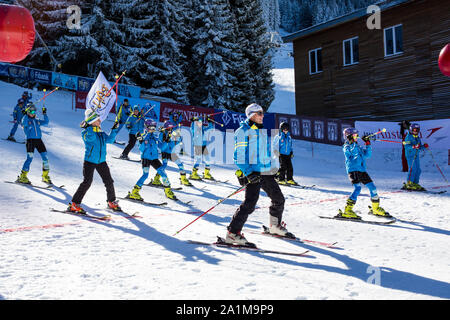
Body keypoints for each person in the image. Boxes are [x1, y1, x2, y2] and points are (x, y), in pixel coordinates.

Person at [226, 103, 293, 245]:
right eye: (259, 113)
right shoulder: (242, 131)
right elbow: (238, 156)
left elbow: (264, 153)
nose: (263, 116)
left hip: (265, 171)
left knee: (279, 199)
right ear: (251, 115)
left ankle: (274, 226)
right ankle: (232, 233)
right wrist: (248, 173)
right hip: (253, 172)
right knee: (250, 204)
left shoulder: (259, 131)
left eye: (263, 113)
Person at [68, 109, 121, 213]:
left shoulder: (100, 132)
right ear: (92, 121)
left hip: (101, 161)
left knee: (109, 181)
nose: (100, 121)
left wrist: (114, 130)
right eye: (97, 120)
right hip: (90, 161)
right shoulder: (86, 132)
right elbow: (90, 139)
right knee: (87, 182)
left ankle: (111, 201)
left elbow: (109, 140)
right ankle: (74, 203)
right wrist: (88, 127)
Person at [338, 127, 389, 219]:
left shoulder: (357, 146)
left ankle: (375, 208)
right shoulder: (346, 147)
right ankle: (347, 210)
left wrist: (368, 144)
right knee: (357, 188)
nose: (357, 137)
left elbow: (367, 155)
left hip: (362, 170)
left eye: (357, 135)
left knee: (373, 188)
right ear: (348, 136)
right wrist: (352, 143)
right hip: (353, 170)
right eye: (355, 135)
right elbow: (353, 154)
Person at [127, 119, 176, 200]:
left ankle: (168, 191)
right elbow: (141, 149)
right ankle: (134, 192)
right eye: (151, 127)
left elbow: (161, 147)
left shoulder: (155, 137)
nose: (153, 129)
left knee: (163, 173)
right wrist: (141, 140)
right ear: (146, 127)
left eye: (154, 128)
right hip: (146, 158)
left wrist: (166, 141)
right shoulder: (142, 136)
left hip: (154, 158)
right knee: (145, 175)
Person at [17, 104, 51, 184]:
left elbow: (46, 122)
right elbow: (23, 123)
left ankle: (45, 176)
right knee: (30, 158)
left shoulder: (36, 120)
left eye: (34, 111)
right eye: (31, 111)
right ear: (28, 112)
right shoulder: (25, 120)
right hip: (30, 141)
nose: (33, 113)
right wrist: (25, 114)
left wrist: (44, 113)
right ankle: (23, 176)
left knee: (45, 157)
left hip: (39, 141)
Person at [151, 120, 191, 187]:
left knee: (180, 165)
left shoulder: (173, 133)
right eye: (169, 127)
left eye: (171, 127)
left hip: (172, 153)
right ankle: (156, 179)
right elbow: (161, 147)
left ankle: (183, 179)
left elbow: (179, 141)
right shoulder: (162, 134)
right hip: (165, 153)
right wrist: (166, 139)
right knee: (163, 166)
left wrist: (178, 137)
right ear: (166, 127)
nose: (170, 129)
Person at [402, 123, 428, 191]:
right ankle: (409, 183)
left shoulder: (418, 138)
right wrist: (413, 146)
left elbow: (419, 147)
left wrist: (424, 147)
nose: (415, 131)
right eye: (414, 130)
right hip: (410, 155)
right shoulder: (408, 137)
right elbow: (406, 146)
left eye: (417, 130)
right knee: (412, 169)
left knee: (418, 170)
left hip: (416, 155)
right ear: (411, 130)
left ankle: (415, 183)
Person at [189, 116, 214, 180]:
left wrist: (210, 122)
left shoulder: (202, 128)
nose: (201, 123)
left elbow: (210, 128)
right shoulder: (194, 128)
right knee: (198, 160)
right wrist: (193, 121)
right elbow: (193, 127)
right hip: (197, 145)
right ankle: (193, 174)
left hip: (203, 145)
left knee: (208, 159)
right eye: (199, 122)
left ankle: (206, 174)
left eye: (201, 121)